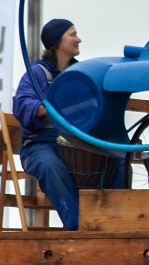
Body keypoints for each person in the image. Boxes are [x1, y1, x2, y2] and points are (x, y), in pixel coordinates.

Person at [12, 18, 91, 230]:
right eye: (72, 34)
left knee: (116, 161)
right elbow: (21, 105)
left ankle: (111, 223)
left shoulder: (81, 73)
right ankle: (78, 227)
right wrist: (52, 105)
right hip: (39, 147)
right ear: (57, 42)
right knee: (51, 166)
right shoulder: (37, 73)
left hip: (74, 144)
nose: (78, 39)